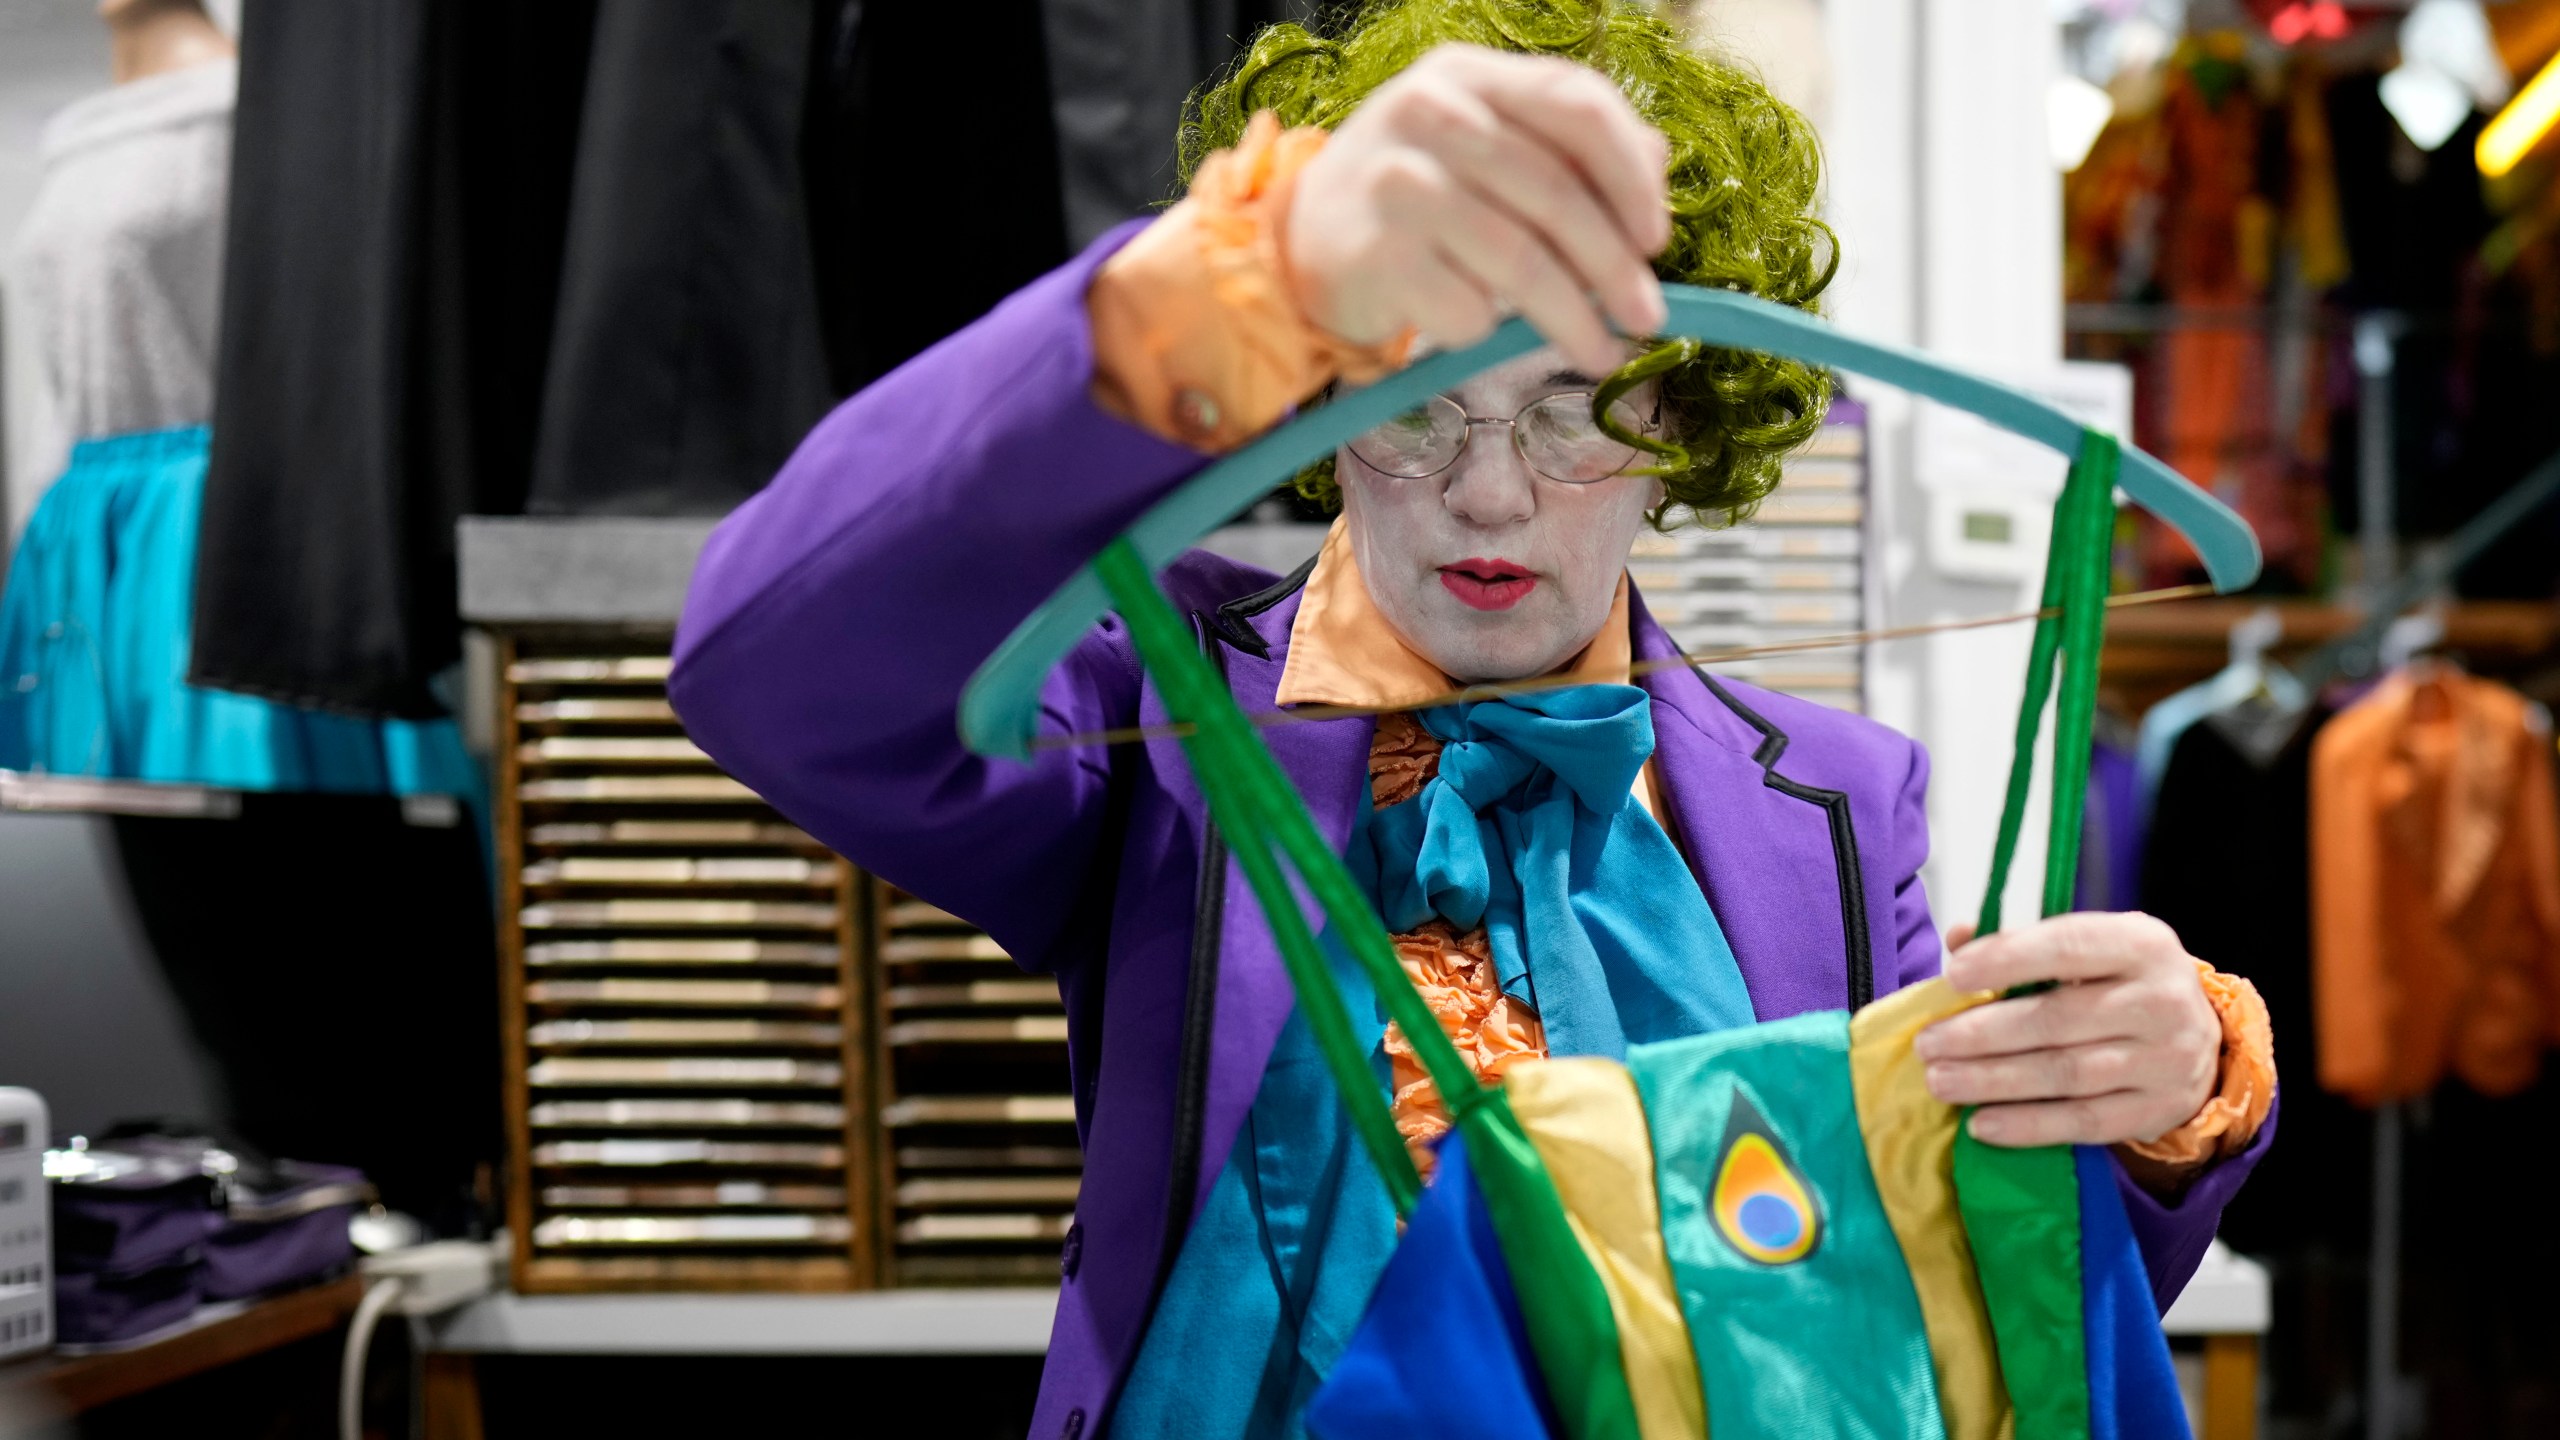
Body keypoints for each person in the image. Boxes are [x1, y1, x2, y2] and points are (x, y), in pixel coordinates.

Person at [670, 3, 2274, 1436]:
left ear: (1684, 426)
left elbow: (1944, 1270)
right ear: (1315, 404)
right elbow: (771, 668)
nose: (1489, 495)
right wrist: (1230, 287)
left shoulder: (1846, 807)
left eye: (1577, 408)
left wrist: (2161, 1104)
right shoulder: (1158, 714)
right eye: (1413, 408)